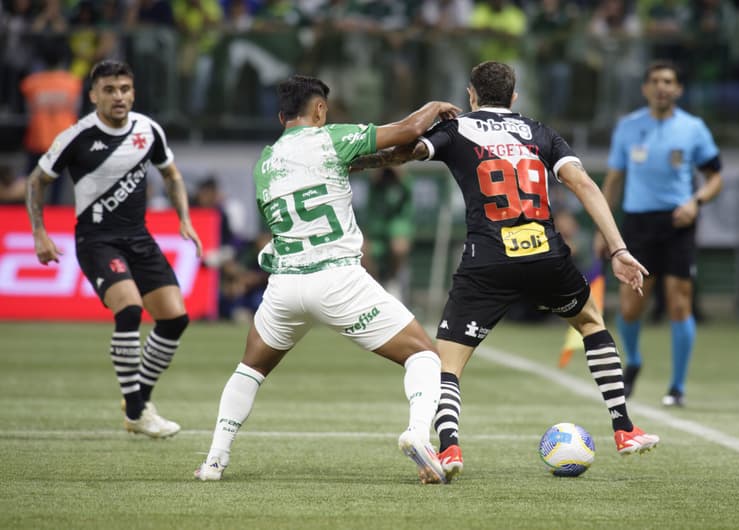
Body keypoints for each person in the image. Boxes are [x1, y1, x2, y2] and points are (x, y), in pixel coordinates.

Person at [351, 60, 660, 481]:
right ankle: (625, 429)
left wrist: (358, 163)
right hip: (546, 256)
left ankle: (450, 447)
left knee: (447, 363)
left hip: (488, 260)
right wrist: (619, 250)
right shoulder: (540, 132)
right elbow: (585, 184)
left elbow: (405, 152)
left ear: (471, 95)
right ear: (514, 97)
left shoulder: (457, 129)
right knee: (591, 323)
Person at [193, 75, 461, 484]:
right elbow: (408, 130)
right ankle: (418, 434)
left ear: (282, 116)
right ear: (319, 109)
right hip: (337, 280)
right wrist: (435, 105)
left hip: (284, 287)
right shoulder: (331, 138)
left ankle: (214, 460)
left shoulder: (264, 163)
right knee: (424, 355)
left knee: (250, 369)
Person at [25, 60, 203, 438]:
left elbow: (171, 174)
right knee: (131, 310)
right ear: (93, 96)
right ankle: (138, 411)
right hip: (97, 240)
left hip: (138, 237)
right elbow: (37, 181)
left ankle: (137, 403)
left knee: (175, 318)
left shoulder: (148, 129)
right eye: (109, 89)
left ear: (133, 92)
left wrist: (184, 219)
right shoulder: (76, 136)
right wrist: (39, 232)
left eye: (124, 89)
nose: (118, 96)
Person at [595, 60, 723, 407]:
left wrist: (696, 202)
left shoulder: (693, 128)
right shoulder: (628, 127)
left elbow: (715, 178)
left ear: (678, 89)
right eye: (655, 81)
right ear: (645, 88)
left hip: (678, 224)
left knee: (679, 304)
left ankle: (677, 387)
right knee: (630, 306)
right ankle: (633, 360)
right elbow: (613, 181)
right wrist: (604, 231)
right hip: (637, 223)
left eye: (669, 81)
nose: (662, 87)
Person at [19, 39, 82, 204]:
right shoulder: (73, 82)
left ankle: (30, 211)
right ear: (62, 60)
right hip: (62, 140)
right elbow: (76, 109)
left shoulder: (31, 83)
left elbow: (27, 110)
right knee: (57, 184)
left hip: (38, 138)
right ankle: (53, 213)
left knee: (33, 180)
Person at [361, 166, 414, 301]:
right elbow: (373, 177)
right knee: (361, 250)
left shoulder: (403, 184)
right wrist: (380, 164)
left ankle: (393, 280)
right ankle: (376, 286)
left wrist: (393, 163)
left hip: (395, 230)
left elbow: (403, 176)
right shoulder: (374, 186)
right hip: (377, 232)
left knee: (399, 246)